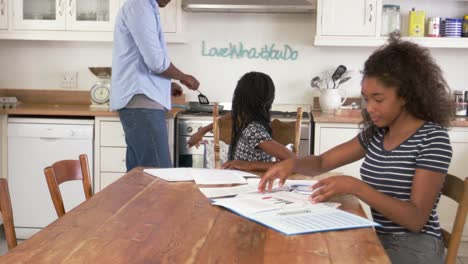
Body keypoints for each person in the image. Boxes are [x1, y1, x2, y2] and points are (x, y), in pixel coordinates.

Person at [259, 34, 454, 264]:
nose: (370, 108)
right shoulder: (378, 133)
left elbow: (415, 219)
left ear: (406, 96)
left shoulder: (433, 139)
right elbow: (321, 163)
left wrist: (356, 187)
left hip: (415, 245)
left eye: (378, 99)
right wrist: (292, 163)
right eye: (366, 98)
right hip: (379, 232)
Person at [111, 0, 199, 171]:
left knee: (139, 174)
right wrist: (183, 77)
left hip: (140, 101)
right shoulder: (139, 6)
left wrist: (166, 84)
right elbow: (156, 62)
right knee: (159, 175)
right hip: (141, 103)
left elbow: (144, 60)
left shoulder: (145, 7)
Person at [188, 71, 296, 171]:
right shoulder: (250, 118)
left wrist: (250, 165)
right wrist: (201, 132)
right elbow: (234, 113)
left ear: (240, 98)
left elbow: (294, 163)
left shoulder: (253, 130)